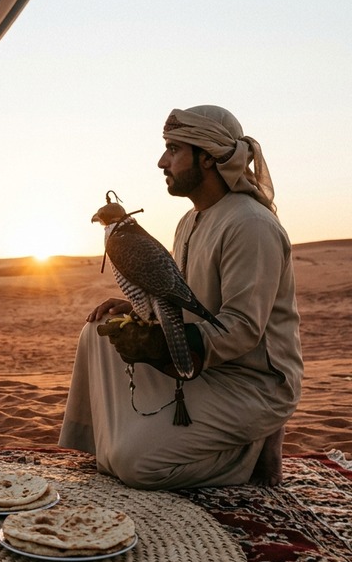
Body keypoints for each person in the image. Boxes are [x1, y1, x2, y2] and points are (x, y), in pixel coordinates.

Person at [59, 105, 302, 490]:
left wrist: (167, 346)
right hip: (201, 366)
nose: (162, 162)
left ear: (207, 157)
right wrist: (142, 309)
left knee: (134, 465)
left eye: (173, 150)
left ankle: (247, 452)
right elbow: (186, 297)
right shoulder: (189, 221)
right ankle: (106, 445)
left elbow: (242, 327)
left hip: (249, 383)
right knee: (99, 331)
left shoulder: (250, 224)